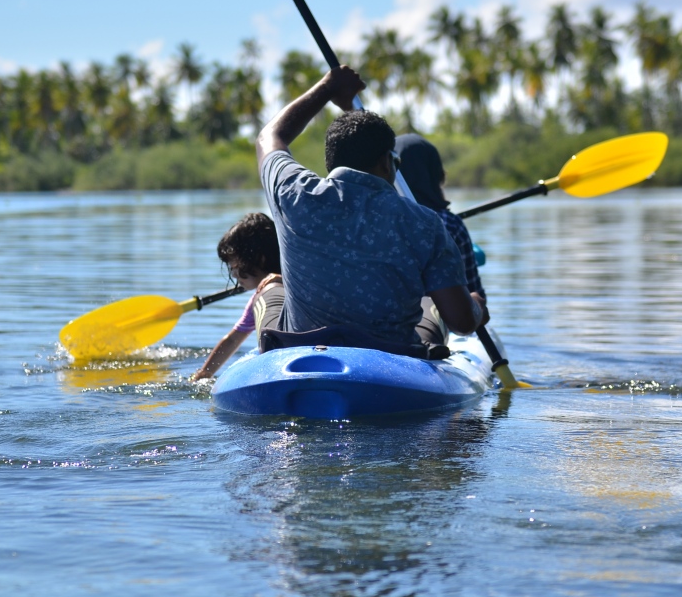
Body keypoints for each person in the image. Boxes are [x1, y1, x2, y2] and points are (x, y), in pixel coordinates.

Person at [255, 66, 488, 349]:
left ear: (331, 162)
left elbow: (270, 136)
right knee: (431, 302)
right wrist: (476, 307)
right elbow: (462, 323)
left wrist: (328, 88)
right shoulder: (424, 222)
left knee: (272, 289)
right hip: (389, 355)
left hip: (301, 347)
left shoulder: (294, 192)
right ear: (387, 163)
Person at [190, 213, 283, 381]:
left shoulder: (286, 285)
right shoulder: (258, 300)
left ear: (259, 260)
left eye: (235, 266)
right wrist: (205, 373)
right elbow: (233, 340)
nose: (233, 275)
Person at [394, 134, 486, 301]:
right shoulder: (450, 223)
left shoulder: (374, 220)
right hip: (440, 321)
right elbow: (475, 294)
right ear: (436, 174)